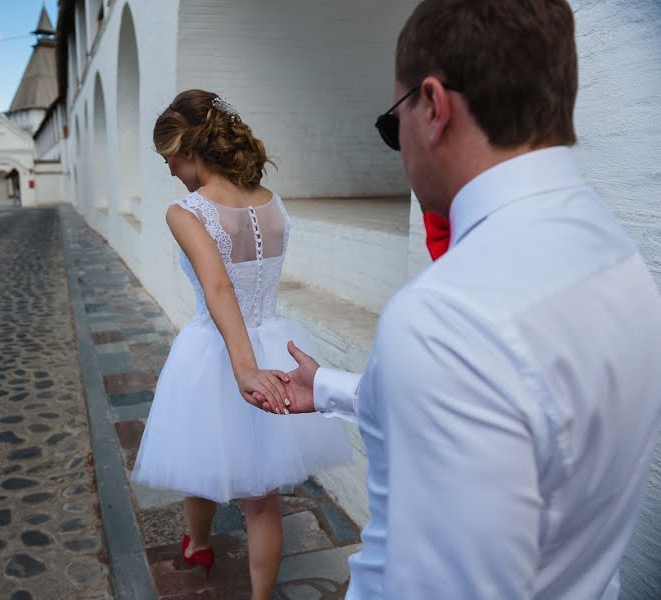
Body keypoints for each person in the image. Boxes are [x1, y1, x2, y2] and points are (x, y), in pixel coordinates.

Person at [250, 1, 661, 598]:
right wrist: (333, 389)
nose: (401, 146)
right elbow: (522, 411)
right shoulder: (620, 258)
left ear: (434, 108)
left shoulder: (447, 318)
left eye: (394, 123)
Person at [131, 89, 351, 599]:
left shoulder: (185, 211)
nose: (167, 170)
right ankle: (214, 556)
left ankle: (199, 545)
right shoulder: (272, 203)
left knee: (202, 456)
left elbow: (218, 288)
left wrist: (243, 369)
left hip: (221, 352)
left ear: (189, 150)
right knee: (261, 497)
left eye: (168, 158)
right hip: (272, 340)